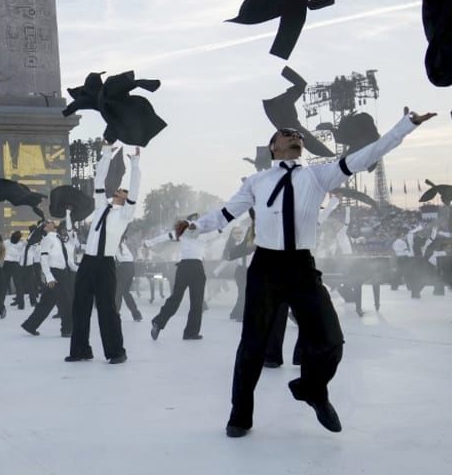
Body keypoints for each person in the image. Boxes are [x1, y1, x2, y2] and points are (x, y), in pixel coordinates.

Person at [176, 108, 435, 437]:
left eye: (299, 135)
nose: (296, 136)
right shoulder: (257, 181)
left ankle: (312, 389)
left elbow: (369, 153)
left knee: (330, 341)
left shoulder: (319, 175)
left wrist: (405, 126)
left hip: (301, 266)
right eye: (288, 133)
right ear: (274, 146)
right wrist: (194, 226)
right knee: (252, 346)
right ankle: (240, 414)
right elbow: (225, 215)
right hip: (265, 267)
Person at [66, 140, 141, 365]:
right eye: (119, 189)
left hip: (106, 264)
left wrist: (135, 165)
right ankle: (81, 350)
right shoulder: (101, 206)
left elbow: (135, 189)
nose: (119, 190)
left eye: (122, 191)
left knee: (107, 310)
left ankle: (116, 352)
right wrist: (106, 152)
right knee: (80, 306)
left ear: (125, 198)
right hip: (87, 262)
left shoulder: (125, 214)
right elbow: (99, 179)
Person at [149, 213, 209, 340]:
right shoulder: (199, 234)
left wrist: (149, 243)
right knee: (195, 303)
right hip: (195, 268)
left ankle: (159, 323)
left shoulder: (186, 233)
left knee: (177, 298)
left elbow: (164, 237)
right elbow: (221, 228)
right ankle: (190, 332)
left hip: (185, 267)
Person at [21, 220, 76, 337]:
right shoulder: (47, 239)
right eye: (48, 223)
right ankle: (67, 330)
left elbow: (63, 256)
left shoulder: (57, 238)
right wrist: (49, 276)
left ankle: (30, 325)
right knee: (66, 302)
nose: (51, 222)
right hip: (55, 274)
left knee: (46, 302)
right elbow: (44, 258)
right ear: (45, 229)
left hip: (63, 273)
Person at [114, 234, 143, 322]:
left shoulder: (115, 245)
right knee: (125, 292)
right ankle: (136, 314)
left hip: (124, 268)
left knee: (118, 292)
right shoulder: (124, 246)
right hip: (130, 267)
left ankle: (115, 315)